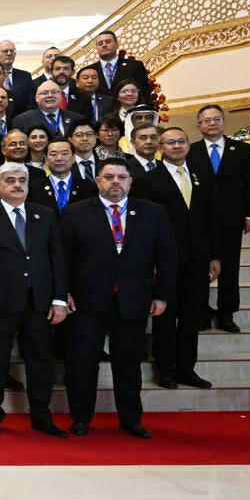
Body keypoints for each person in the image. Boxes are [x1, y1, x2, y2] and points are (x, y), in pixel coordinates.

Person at [62, 157, 175, 438]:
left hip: (133, 300)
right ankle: (81, 418)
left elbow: (166, 258)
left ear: (130, 181)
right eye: (109, 177)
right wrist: (63, 293)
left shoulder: (153, 213)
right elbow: (63, 258)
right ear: (98, 181)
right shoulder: (75, 213)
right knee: (82, 363)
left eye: (121, 177)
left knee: (129, 364)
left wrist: (161, 295)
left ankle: (131, 419)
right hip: (87, 302)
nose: (115, 182)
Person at [0, 163, 69, 438]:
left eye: (22, 180)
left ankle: (41, 415)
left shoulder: (45, 214)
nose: (17, 185)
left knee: (41, 361)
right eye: (10, 180)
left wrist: (59, 299)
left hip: (39, 302)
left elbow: (57, 258)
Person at [134, 127, 221, 390]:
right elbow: (143, 227)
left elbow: (210, 219)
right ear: (160, 147)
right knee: (165, 317)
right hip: (164, 261)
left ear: (188, 145)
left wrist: (214, 256)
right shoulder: (148, 180)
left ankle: (186, 369)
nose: (176, 146)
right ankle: (165, 370)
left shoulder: (201, 175)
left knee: (192, 316)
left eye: (181, 141)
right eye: (170, 142)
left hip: (198, 260)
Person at [188, 104, 250, 334]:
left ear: (223, 122)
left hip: (231, 218)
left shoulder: (242, 149)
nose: (212, 123)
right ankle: (201, 312)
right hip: (199, 220)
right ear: (199, 125)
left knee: (230, 267)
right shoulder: (191, 150)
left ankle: (227, 313)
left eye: (216, 119)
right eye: (206, 120)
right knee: (199, 266)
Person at [91, 30, 151, 97]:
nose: (104, 45)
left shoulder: (135, 66)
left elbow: (145, 95)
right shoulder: (89, 72)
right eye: (100, 43)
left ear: (116, 44)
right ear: (97, 48)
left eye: (108, 42)